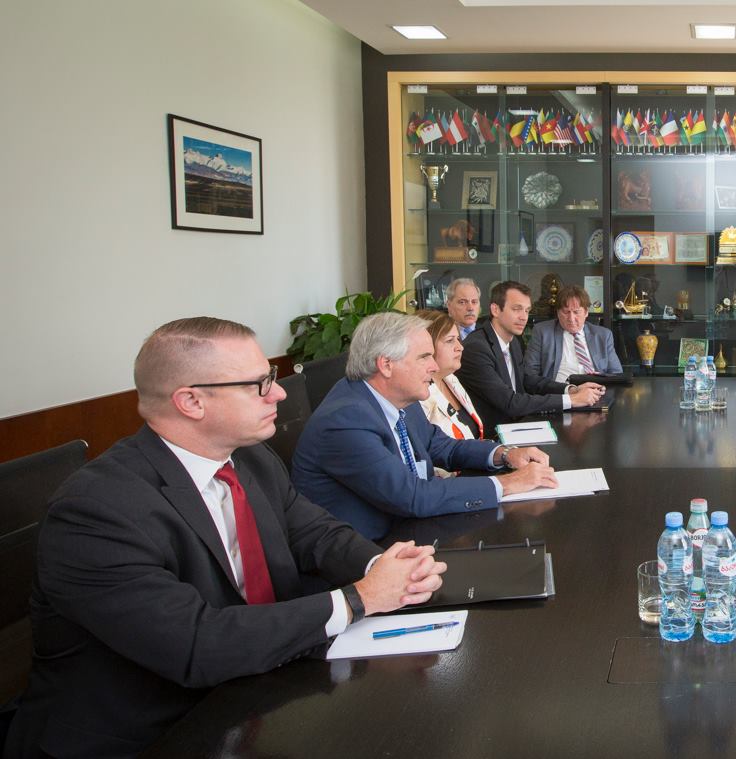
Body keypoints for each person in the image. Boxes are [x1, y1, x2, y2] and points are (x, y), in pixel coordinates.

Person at [3, 318, 446, 758]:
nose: (279, 393)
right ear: (191, 401)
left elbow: (316, 532)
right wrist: (358, 599)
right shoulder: (96, 510)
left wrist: (386, 568)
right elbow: (195, 643)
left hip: (249, 692)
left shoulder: (251, 458)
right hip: (145, 733)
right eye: (258, 384)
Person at [292, 312, 557, 541]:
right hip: (370, 554)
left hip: (411, 531)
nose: (434, 366)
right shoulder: (345, 421)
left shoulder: (399, 399)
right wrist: (508, 483)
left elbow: (442, 447)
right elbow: (412, 496)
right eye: (424, 357)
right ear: (386, 365)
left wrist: (504, 454)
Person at [456, 281, 605, 430]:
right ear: (495, 310)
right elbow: (510, 403)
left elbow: (528, 380)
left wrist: (570, 389)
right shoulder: (476, 348)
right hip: (492, 435)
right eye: (517, 309)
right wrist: (571, 400)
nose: (524, 317)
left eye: (527, 311)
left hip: (517, 424)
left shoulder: (513, 341)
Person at [524, 284, 624, 383]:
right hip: (560, 390)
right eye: (566, 312)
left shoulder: (603, 335)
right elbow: (530, 372)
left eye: (576, 312)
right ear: (558, 313)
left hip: (596, 390)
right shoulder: (542, 332)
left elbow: (616, 374)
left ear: (586, 312)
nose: (571, 319)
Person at [417, 309, 484, 440]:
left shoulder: (451, 379)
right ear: (427, 346)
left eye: (458, 339)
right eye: (450, 340)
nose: (460, 347)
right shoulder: (418, 394)